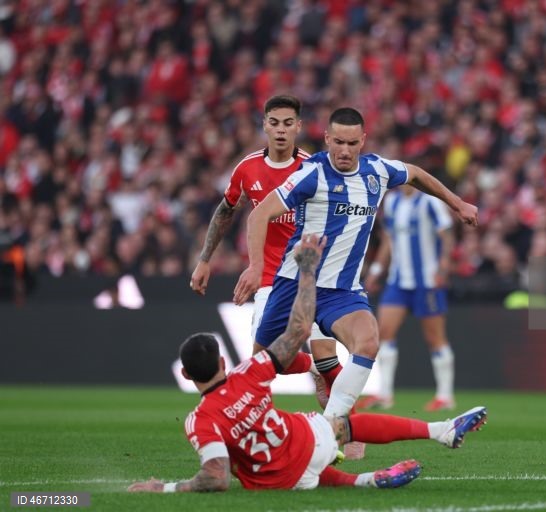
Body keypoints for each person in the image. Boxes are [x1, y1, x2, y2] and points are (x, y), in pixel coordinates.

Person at [128, 234, 488, 493]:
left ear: (186, 373)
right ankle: (438, 431)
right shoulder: (249, 373)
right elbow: (299, 329)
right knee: (339, 427)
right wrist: (307, 271)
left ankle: (362, 480)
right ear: (223, 360)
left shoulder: (199, 420)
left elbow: (217, 475)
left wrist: (164, 488)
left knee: (287, 465)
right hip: (309, 445)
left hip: (280, 484)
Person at [232, 107, 478, 422]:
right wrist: (254, 268)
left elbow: (414, 173)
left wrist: (457, 204)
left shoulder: (377, 171)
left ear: (362, 141)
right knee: (262, 366)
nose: (344, 151)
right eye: (338, 142)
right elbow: (259, 213)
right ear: (326, 139)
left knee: (369, 341)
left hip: (341, 291)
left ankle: (332, 426)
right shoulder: (312, 174)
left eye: (351, 143)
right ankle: (248, 423)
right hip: (293, 284)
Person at [188, 95, 347, 419]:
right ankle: (312, 370)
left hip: (309, 273)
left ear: (298, 127)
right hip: (269, 277)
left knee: (326, 355)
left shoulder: (312, 167)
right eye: (274, 123)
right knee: (266, 360)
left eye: (288, 123)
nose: (280, 130)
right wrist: (205, 259)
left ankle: (352, 432)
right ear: (264, 125)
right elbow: (225, 211)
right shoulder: (247, 168)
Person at [360, 185, 456, 412]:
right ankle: (384, 394)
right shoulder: (392, 202)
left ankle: (445, 396)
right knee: (384, 333)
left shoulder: (430, 202)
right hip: (398, 281)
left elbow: (447, 236)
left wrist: (443, 267)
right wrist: (375, 271)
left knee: (435, 338)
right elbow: (388, 241)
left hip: (427, 282)